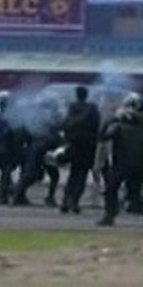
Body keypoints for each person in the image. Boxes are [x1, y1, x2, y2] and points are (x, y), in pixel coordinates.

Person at [97, 94, 143, 227]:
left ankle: (109, 215)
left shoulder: (118, 127)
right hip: (138, 164)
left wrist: (110, 120)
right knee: (134, 192)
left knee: (110, 189)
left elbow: (103, 136)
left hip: (121, 164)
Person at [12, 98, 63, 207]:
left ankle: (19, 195)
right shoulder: (49, 118)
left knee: (36, 174)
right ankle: (18, 195)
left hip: (40, 148)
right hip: (42, 149)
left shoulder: (36, 118)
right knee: (34, 175)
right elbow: (57, 127)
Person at [60, 85, 102, 214]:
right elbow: (97, 125)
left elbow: (65, 124)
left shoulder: (72, 108)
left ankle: (66, 199)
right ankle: (74, 201)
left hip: (74, 144)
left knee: (73, 174)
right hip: (88, 146)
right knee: (82, 175)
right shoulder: (92, 108)